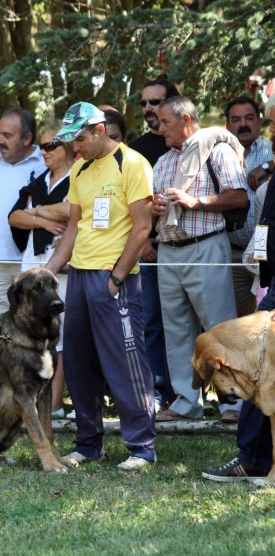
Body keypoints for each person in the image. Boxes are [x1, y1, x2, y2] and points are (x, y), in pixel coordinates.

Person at [46, 101, 156, 472]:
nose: (74, 148)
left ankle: (141, 447)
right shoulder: (79, 169)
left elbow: (143, 226)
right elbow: (73, 228)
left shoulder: (133, 163)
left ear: (99, 130)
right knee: (77, 364)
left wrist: (117, 278)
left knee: (126, 363)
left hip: (114, 279)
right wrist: (47, 272)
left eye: (79, 139)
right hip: (78, 276)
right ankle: (88, 444)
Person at [153, 96, 248, 423]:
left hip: (206, 246)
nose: (159, 127)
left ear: (186, 120)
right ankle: (186, 401)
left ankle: (232, 401)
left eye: (166, 122)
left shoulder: (217, 151)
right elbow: (156, 209)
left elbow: (239, 195)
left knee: (220, 328)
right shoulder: (162, 162)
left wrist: (196, 201)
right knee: (176, 329)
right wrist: (156, 209)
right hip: (168, 250)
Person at [201, 95, 275, 482]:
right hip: (265, 275)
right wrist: (260, 261)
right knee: (258, 364)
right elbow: (266, 227)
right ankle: (251, 457)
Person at [9, 120, 74, 419]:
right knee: (31, 335)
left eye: (51, 146)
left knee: (59, 337)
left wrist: (33, 211)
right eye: (42, 146)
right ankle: (31, 403)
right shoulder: (38, 181)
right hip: (32, 264)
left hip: (64, 268)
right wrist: (44, 220)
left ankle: (56, 404)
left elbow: (72, 210)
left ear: (68, 146)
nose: (44, 152)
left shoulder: (79, 176)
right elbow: (14, 217)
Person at [129, 79, 180, 412]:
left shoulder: (187, 144)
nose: (148, 109)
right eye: (144, 103)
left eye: (155, 102)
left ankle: (193, 392)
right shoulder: (136, 150)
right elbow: (129, 203)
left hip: (187, 247)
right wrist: (144, 239)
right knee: (152, 322)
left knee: (185, 322)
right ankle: (160, 388)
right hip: (148, 251)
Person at [0, 109, 46, 332]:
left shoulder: (45, 163)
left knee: (34, 325)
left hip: (33, 262)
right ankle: (3, 368)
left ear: (27, 138)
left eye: (7, 135)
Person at [225, 96, 274, 317]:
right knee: (237, 325)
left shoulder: (271, 151)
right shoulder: (218, 155)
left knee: (263, 322)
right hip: (232, 255)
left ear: (259, 121)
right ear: (227, 125)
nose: (243, 124)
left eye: (249, 118)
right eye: (236, 119)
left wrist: (268, 165)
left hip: (267, 257)